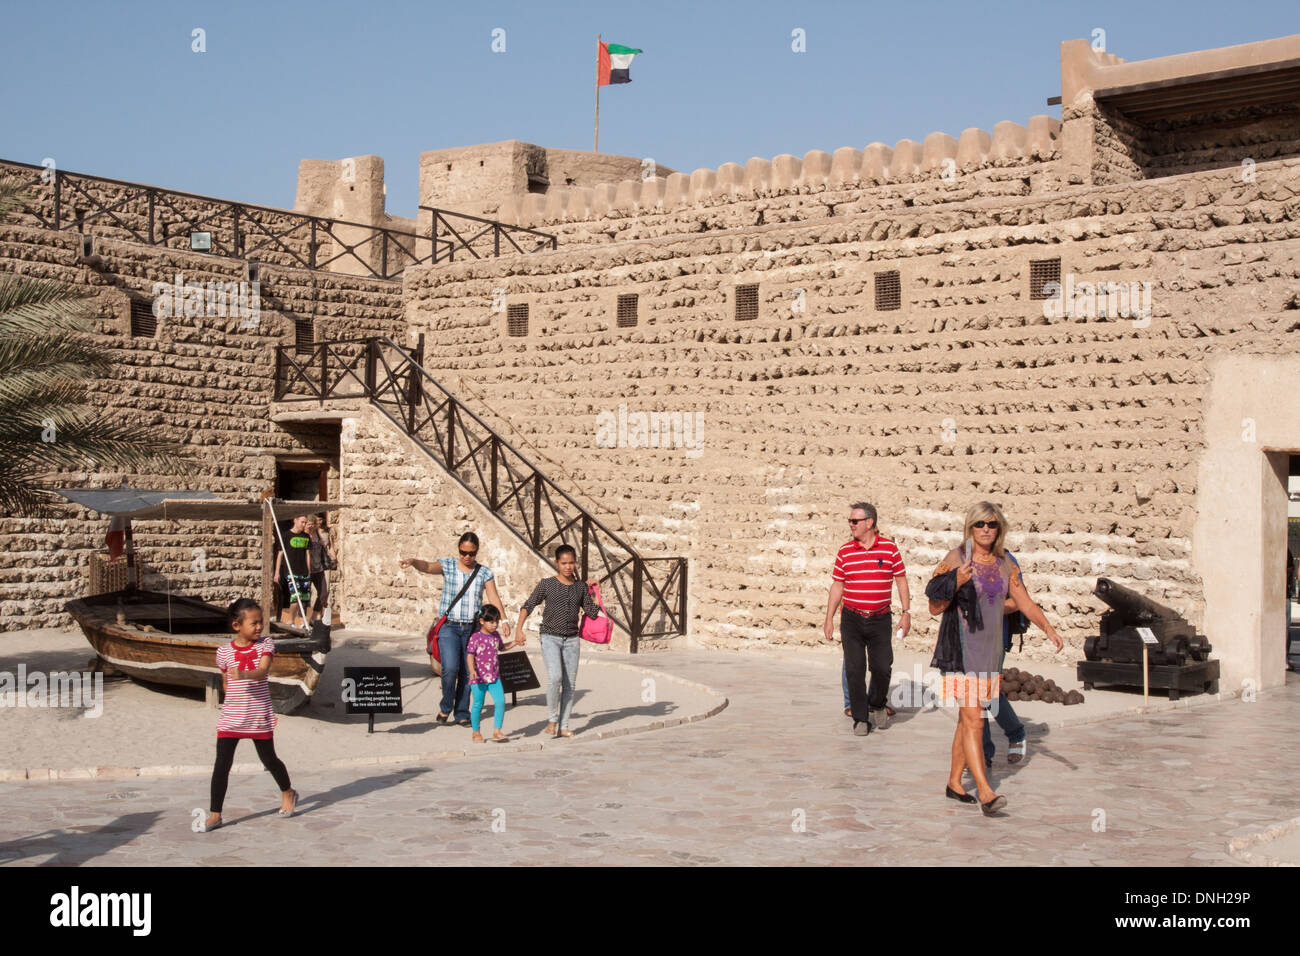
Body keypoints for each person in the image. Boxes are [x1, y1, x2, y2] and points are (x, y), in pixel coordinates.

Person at [927, 502, 1063, 816]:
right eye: (979, 524)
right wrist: (957, 580)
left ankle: (954, 784)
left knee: (966, 721)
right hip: (962, 651)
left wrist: (1049, 629)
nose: (986, 530)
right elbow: (934, 605)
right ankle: (986, 793)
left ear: (999, 528)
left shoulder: (1004, 563)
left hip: (991, 653)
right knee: (975, 720)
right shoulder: (957, 557)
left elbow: (1024, 603)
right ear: (970, 527)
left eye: (992, 525)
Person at [201, 599, 297, 832]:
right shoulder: (223, 652)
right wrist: (232, 694)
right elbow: (225, 682)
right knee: (222, 765)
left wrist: (244, 675)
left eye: (261, 622)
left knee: (269, 759)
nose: (259, 627)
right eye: (254, 623)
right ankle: (215, 814)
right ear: (237, 625)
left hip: (258, 715)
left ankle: (288, 792)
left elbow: (263, 670)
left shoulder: (266, 645)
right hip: (232, 716)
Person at [400, 532, 510, 726]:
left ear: (477, 551)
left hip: (472, 628)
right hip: (449, 627)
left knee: (468, 672)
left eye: (471, 553)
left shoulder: (484, 572)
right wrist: (414, 561)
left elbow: (494, 597)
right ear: (458, 549)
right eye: (463, 552)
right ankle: (445, 706)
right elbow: (427, 567)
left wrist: (505, 619)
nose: (467, 557)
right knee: (450, 668)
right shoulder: (449, 565)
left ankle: (461, 713)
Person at [823, 502, 911, 736]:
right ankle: (861, 719)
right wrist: (829, 618)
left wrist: (906, 613)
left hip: (880, 619)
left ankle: (878, 703)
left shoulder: (890, 549)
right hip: (851, 618)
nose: (850, 525)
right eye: (850, 521)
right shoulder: (844, 551)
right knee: (854, 668)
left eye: (855, 521)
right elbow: (837, 585)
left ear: (869, 522)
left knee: (882, 666)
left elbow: (901, 580)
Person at [515, 544, 603, 738]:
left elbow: (592, 612)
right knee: (555, 677)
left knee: (570, 684)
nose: (568, 567)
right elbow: (528, 604)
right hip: (550, 637)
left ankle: (563, 726)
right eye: (564, 563)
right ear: (557, 563)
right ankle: (552, 719)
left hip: (572, 640)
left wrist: (596, 591)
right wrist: (518, 629)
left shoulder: (580, 587)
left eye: (571, 563)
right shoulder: (547, 584)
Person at [983, 550, 1028, 767]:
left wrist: (992, 607)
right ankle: (982, 752)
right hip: (966, 639)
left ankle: (1015, 733)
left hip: (994, 637)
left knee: (986, 692)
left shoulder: (1007, 561)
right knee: (972, 695)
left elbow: (1018, 601)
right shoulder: (962, 558)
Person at [467, 605, 514, 742]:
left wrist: (515, 643)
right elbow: (470, 655)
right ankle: (476, 732)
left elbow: (502, 647)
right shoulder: (475, 637)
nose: (495, 625)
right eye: (491, 622)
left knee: (500, 701)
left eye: (497, 622)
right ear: (482, 621)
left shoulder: (495, 636)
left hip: (494, 677)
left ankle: (497, 731)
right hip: (479, 678)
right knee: (478, 704)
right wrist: (472, 671)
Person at [273, 515, 312, 626]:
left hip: (303, 571)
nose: (304, 525)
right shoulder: (286, 536)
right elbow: (280, 555)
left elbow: (307, 554)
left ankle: (302, 621)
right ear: (295, 520)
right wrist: (276, 573)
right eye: (302, 522)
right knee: (295, 596)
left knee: (304, 598)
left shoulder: (306, 537)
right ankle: (291, 620)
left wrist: (309, 571)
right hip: (291, 571)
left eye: (305, 522)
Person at [304, 515, 336, 624]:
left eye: (312, 525)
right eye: (309, 524)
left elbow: (327, 546)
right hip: (307, 570)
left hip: (319, 568)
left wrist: (333, 558)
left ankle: (314, 616)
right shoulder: (303, 536)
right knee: (304, 595)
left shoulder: (318, 535)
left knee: (323, 594)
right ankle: (303, 619)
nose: (311, 526)